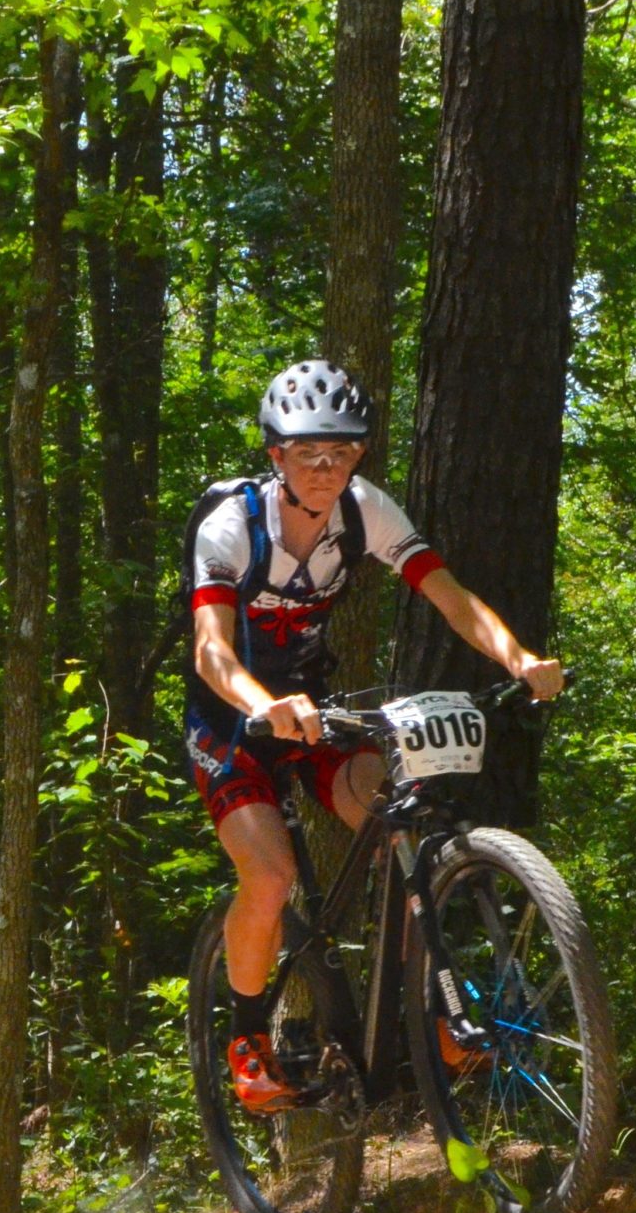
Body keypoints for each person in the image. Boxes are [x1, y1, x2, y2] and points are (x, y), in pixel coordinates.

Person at [184, 361, 564, 1114]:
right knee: (270, 877)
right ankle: (248, 1038)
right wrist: (263, 704)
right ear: (276, 455)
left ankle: (431, 1011)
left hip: (316, 711)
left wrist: (519, 658)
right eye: (308, 453)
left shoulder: (365, 511)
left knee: (399, 825)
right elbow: (210, 651)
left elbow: (452, 597)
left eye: (343, 451)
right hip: (232, 721)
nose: (326, 468)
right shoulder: (231, 527)